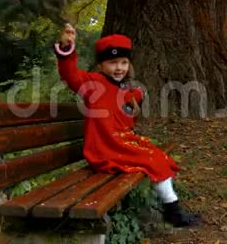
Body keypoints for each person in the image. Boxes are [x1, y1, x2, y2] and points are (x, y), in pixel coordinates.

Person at [54, 23, 200, 227]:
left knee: (156, 155)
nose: (119, 68)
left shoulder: (125, 88)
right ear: (101, 66)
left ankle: (172, 208)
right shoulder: (93, 84)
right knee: (153, 159)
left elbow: (126, 107)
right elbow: (70, 75)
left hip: (120, 143)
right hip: (105, 149)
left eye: (123, 62)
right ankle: (172, 211)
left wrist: (135, 98)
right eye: (113, 63)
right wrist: (67, 47)